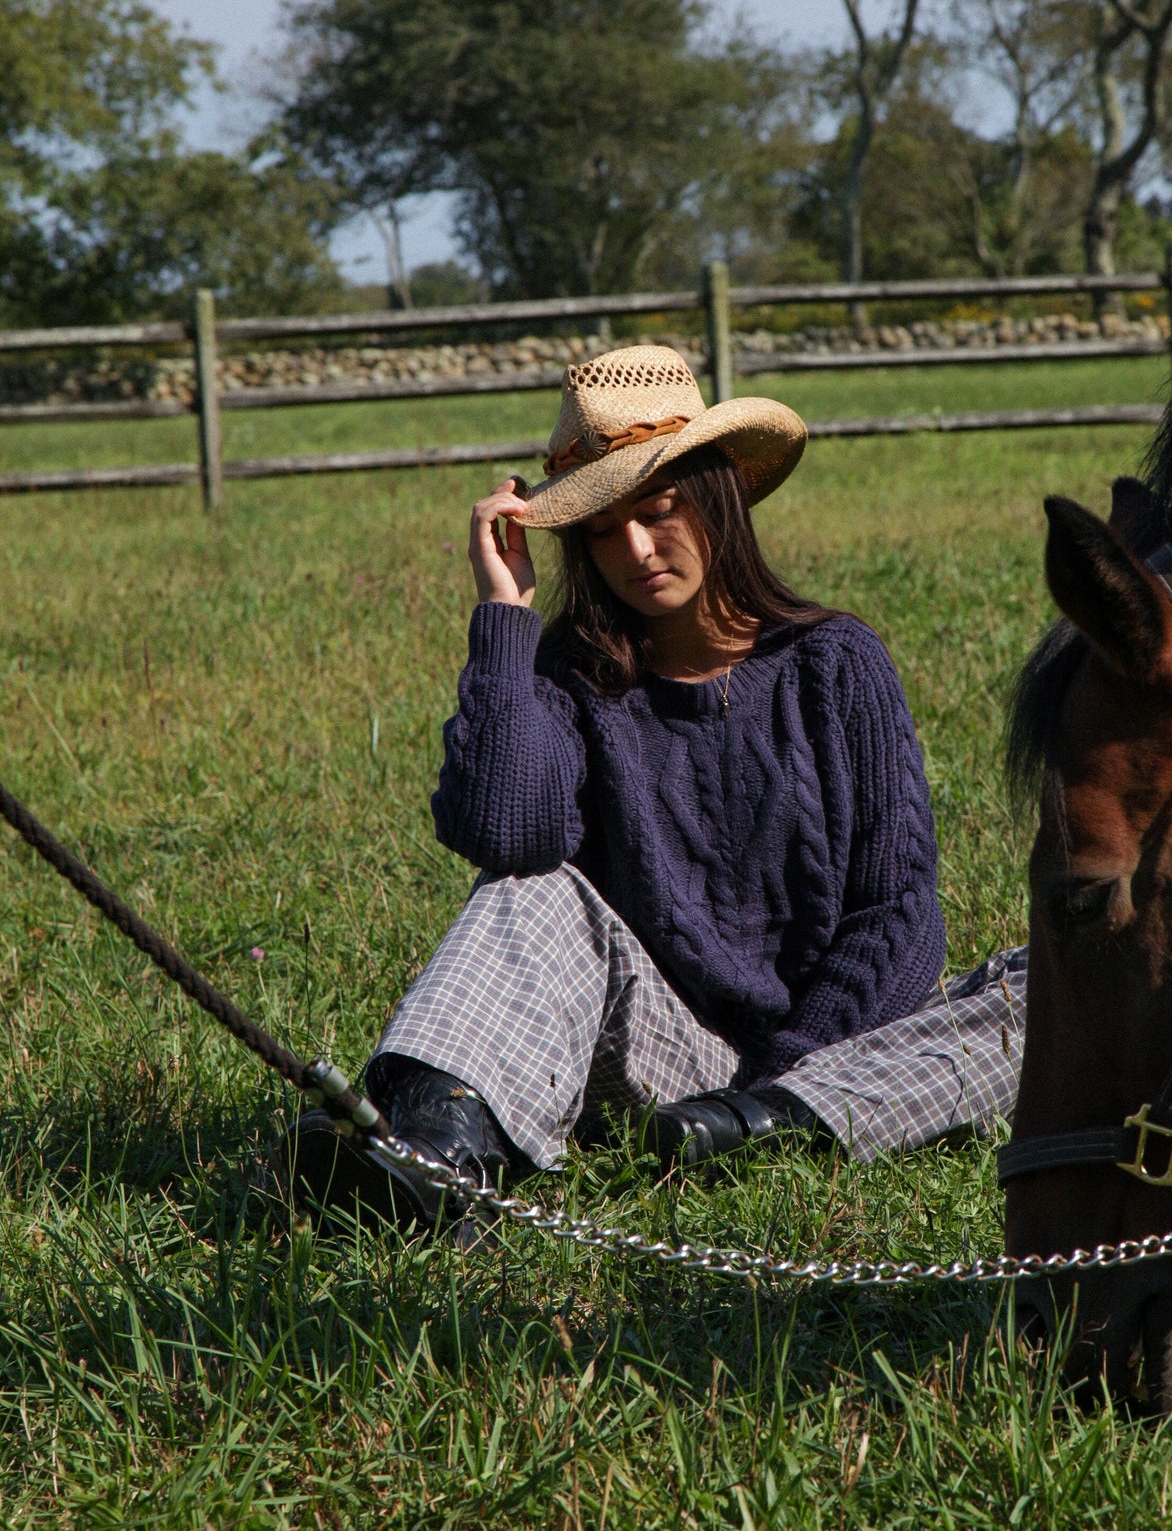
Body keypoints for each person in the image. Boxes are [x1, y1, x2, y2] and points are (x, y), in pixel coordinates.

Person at [287, 343, 1024, 1238]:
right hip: (654, 1055)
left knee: (1044, 991)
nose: (634, 549)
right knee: (535, 890)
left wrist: (779, 1080)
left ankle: (762, 1131)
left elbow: (897, 922)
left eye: (660, 509)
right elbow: (506, 833)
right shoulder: (570, 679)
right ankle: (437, 1161)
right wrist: (506, 621)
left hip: (839, 1058)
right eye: (600, 529)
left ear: (719, 496)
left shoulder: (835, 663)